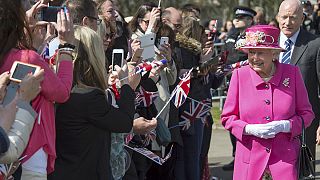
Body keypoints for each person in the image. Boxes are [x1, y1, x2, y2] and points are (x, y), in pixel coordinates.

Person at [221, 25, 315, 180]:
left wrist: (287, 125)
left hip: (285, 161)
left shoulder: (292, 74)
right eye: (251, 52)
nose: (254, 58)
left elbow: (307, 114)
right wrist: (249, 129)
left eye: (260, 53)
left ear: (274, 54)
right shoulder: (239, 76)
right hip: (249, 162)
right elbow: (227, 118)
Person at [48, 25, 140, 180]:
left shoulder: (58, 90)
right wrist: (127, 86)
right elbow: (124, 122)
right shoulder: (89, 97)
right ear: (94, 56)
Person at [0, 0, 74, 179]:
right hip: (29, 152)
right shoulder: (27, 57)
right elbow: (62, 92)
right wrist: (66, 46)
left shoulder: (18, 55)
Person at [277, 0, 320, 169]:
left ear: (302, 18)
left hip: (304, 124)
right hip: (270, 122)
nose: (288, 22)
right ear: (278, 17)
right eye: (284, 17)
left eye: (293, 18)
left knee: (303, 171)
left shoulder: (315, 44)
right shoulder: (267, 43)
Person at [222, 5, 256, 171]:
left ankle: (249, 156)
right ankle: (237, 156)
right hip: (231, 83)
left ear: (250, 20)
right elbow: (226, 54)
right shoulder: (232, 35)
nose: (236, 20)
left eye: (241, 18)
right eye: (236, 18)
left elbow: (235, 56)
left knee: (248, 121)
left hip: (248, 84)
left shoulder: (254, 36)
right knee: (233, 121)